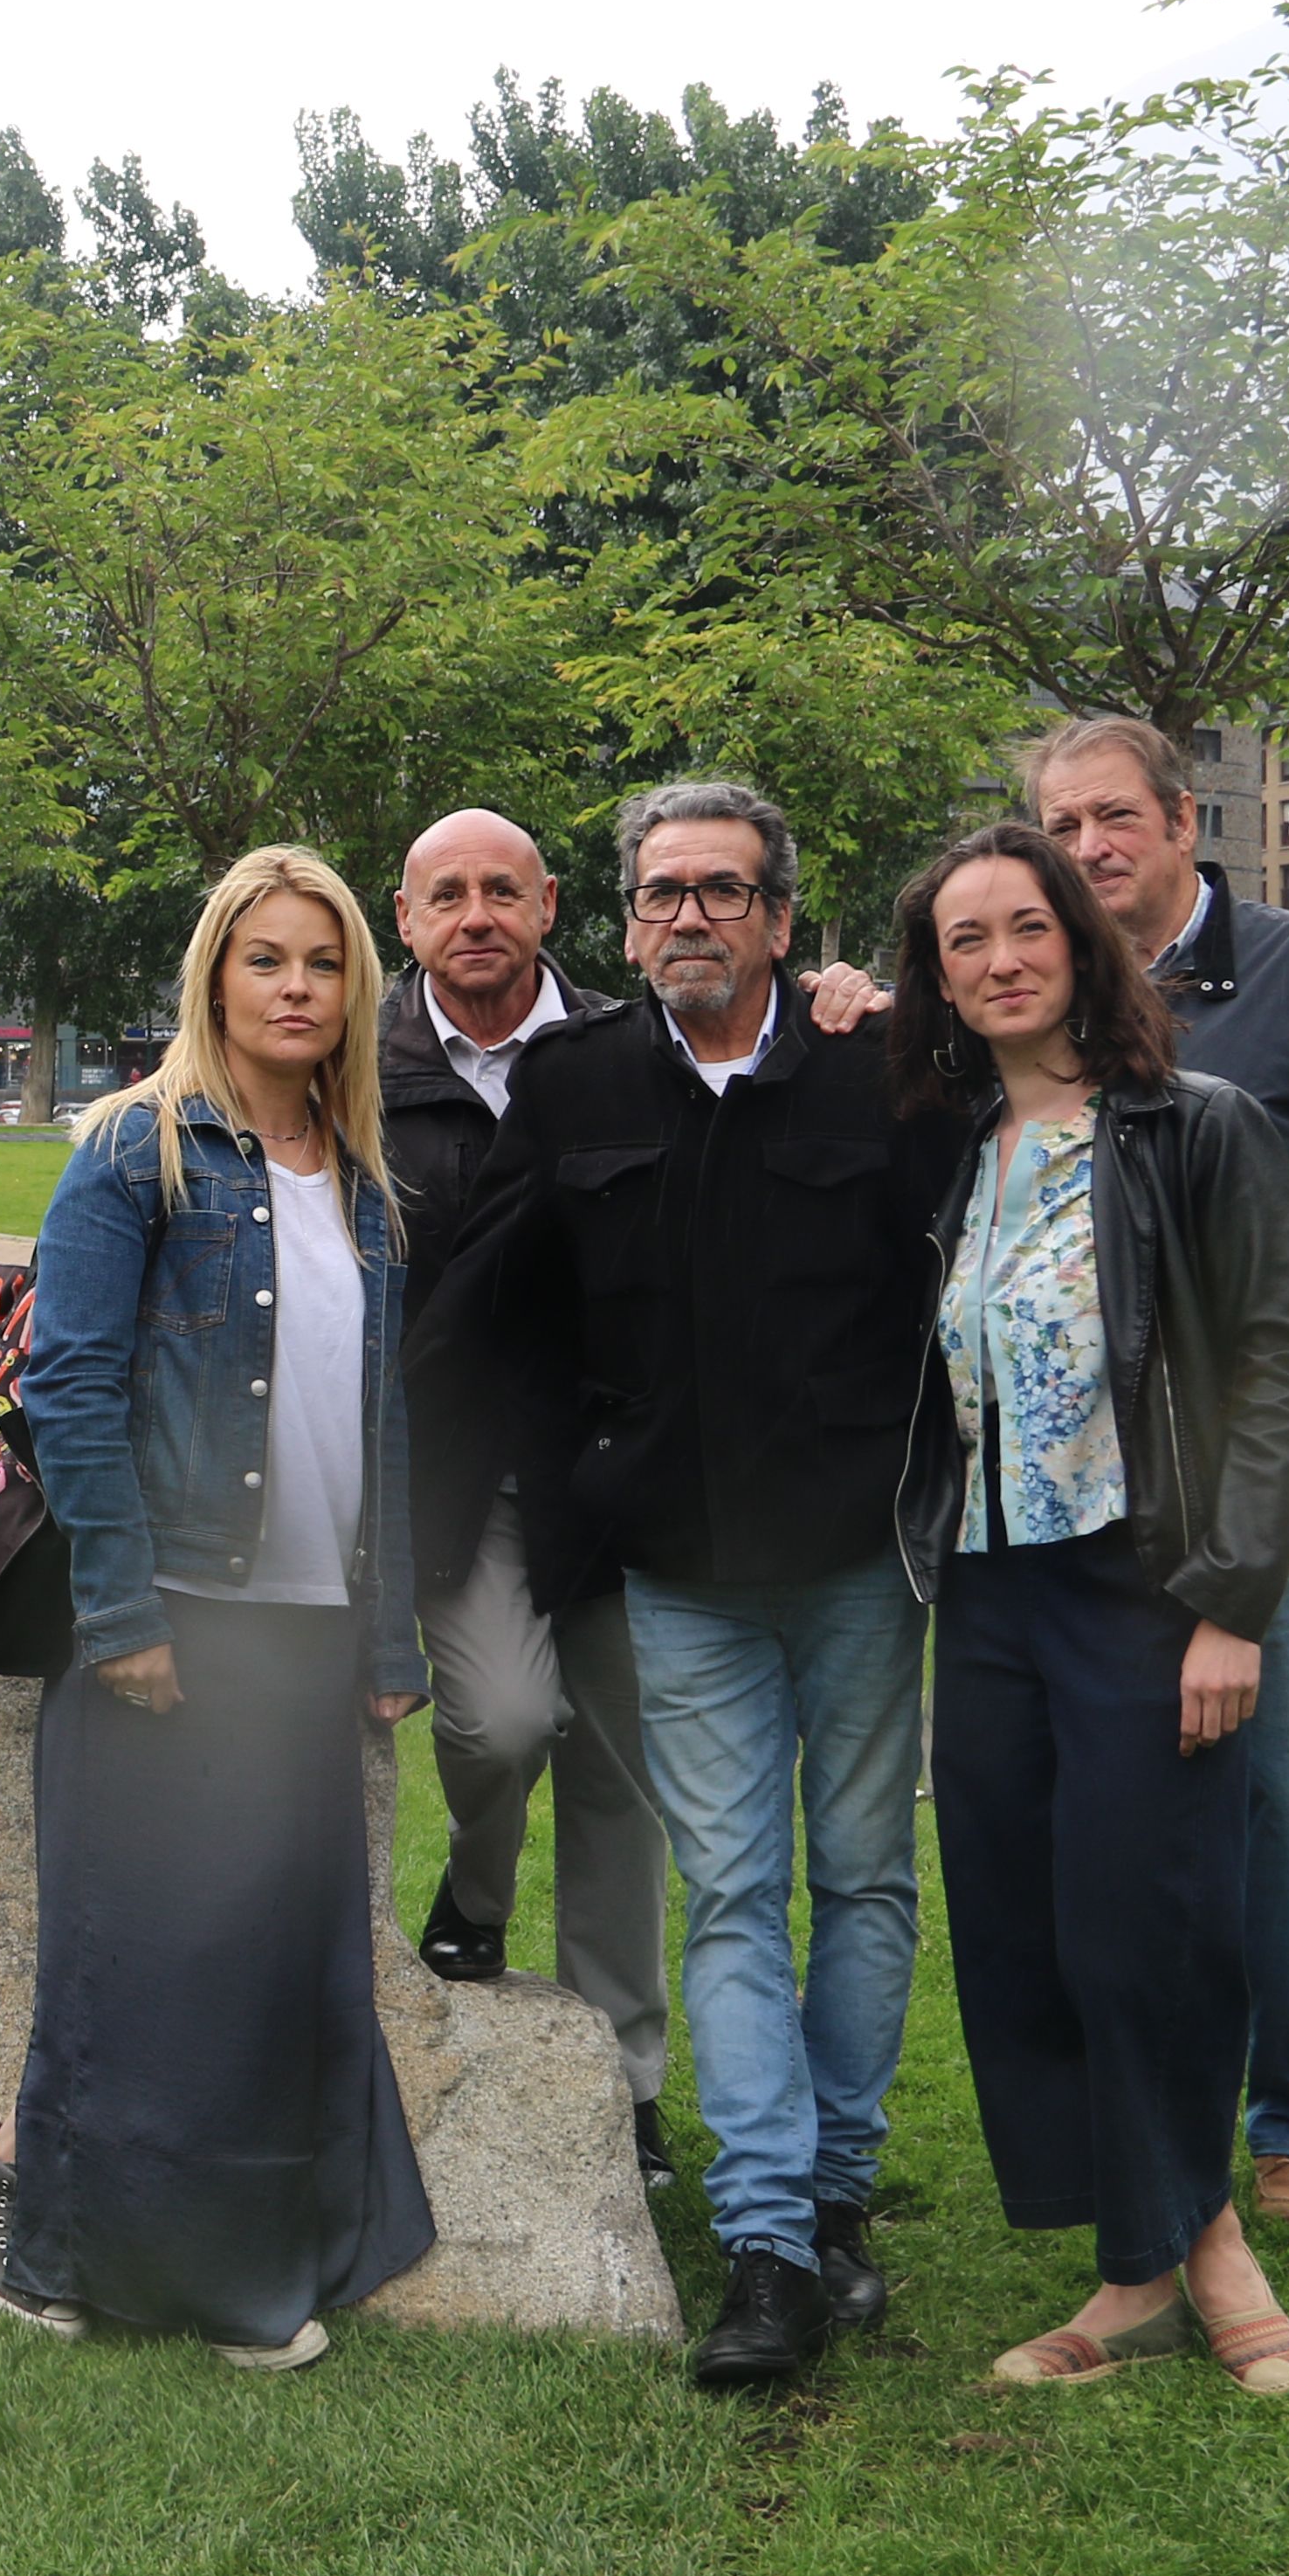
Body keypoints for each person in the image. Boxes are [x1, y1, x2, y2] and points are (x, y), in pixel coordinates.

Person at [431, 777, 968, 2391]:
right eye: (660, 893)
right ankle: (767, 2247)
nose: (688, 917)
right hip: (678, 1575)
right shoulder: (575, 1084)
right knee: (732, 1894)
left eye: (722, 891)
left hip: (859, 1562)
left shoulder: (884, 1075)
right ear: (624, 926)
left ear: (781, 920)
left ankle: (837, 2189)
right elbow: (486, 1311)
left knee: (863, 1879)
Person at [0, 845, 432, 2372]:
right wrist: (123, 1610)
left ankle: (226, 2266)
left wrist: (389, 1632)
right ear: (215, 976)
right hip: (177, 1614)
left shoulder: (364, 1180)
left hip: (308, 1629)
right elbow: (70, 1386)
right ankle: (26, 2213)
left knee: (265, 1968)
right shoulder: (136, 1150)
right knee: (140, 1965)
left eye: (323, 963)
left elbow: (382, 1421)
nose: (295, 987)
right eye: (266, 958)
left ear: (355, 991)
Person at [886, 823, 1289, 2394]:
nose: (1000, 959)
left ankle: (1200, 2253)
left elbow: (1287, 1368)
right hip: (989, 1588)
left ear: (1082, 944)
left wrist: (1232, 1605)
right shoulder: (954, 1144)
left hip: (1145, 1583)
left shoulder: (1192, 1127)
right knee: (1024, 1929)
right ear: (938, 979)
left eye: (1027, 926)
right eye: (964, 940)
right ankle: (1141, 2253)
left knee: (1145, 1927)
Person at [1024, 719, 1289, 2237]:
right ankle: (1158, 2113)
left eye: (1113, 817)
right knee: (1132, 1802)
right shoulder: (1047, 992)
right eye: (1062, 825)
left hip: (1279, 1462)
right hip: (1101, 1479)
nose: (1090, 848)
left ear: (1180, 818)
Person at [375, 806, 671, 2183]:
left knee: (620, 1783)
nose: (477, 915)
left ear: (551, 904)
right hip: (450, 1474)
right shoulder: (356, 1064)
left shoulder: (632, 1050)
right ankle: (479, 1888)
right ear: (406, 917)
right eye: (448, 894)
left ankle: (627, 2085)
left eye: (504, 889)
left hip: (612, 1470)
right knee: (501, 1722)